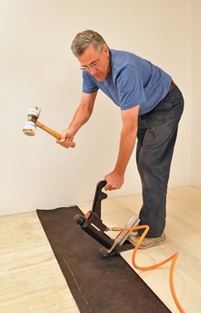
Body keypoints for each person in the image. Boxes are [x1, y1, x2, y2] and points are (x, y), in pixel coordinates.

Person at [57, 30, 184, 249]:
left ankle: (153, 232)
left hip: (166, 104)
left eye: (95, 64)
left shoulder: (126, 70)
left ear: (105, 50)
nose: (92, 71)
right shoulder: (89, 70)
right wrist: (71, 130)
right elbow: (85, 107)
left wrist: (118, 172)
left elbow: (129, 127)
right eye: (85, 66)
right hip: (145, 108)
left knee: (150, 162)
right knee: (144, 161)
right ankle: (150, 220)